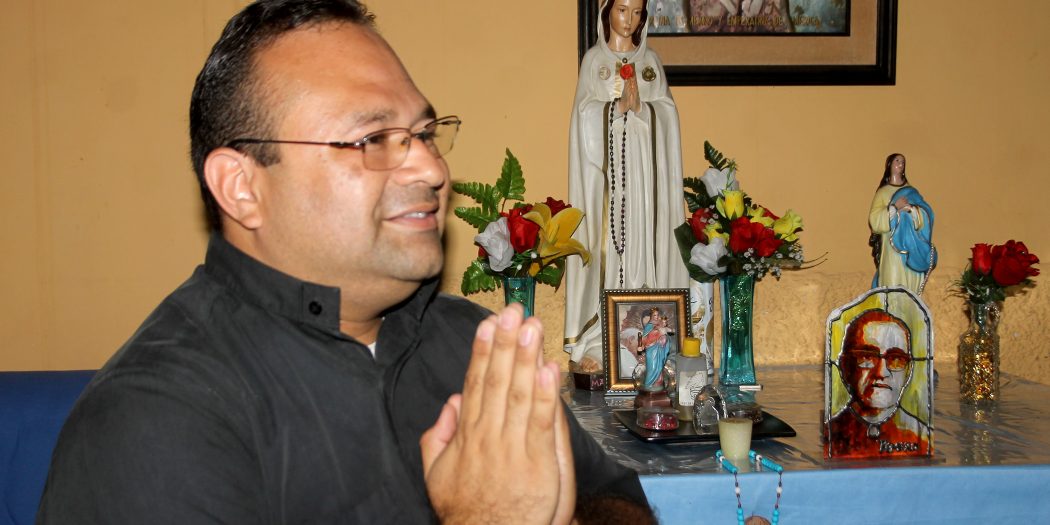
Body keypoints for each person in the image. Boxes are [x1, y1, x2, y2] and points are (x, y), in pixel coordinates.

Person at [36, 1, 653, 523]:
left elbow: (617, 497)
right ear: (242, 187)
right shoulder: (153, 419)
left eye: (425, 133)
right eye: (372, 139)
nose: (432, 168)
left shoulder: (470, 343)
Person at [565, 0, 688, 372]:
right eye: (622, 10)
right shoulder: (594, 62)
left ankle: (652, 336)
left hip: (645, 182)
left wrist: (643, 109)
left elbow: (668, 115)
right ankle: (600, 338)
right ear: (607, 12)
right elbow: (583, 116)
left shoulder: (650, 63)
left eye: (636, 12)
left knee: (644, 244)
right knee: (609, 250)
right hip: (608, 186)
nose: (629, 20)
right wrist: (615, 108)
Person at [827, 310, 931, 459]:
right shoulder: (831, 435)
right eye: (867, 356)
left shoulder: (922, 436)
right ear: (845, 366)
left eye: (896, 359)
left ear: (908, 371)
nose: (882, 372)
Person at [868, 153, 937, 295]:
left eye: (903, 162)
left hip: (912, 246)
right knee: (893, 283)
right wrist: (894, 207)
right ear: (889, 165)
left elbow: (927, 213)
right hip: (892, 249)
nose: (900, 164)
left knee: (910, 287)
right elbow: (875, 220)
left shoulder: (911, 192)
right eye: (897, 161)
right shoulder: (883, 193)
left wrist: (912, 210)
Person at [637, 308, 672, 390]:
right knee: (652, 368)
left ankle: (658, 385)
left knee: (659, 368)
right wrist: (641, 345)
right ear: (651, 316)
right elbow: (644, 338)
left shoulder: (660, 325)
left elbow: (667, 333)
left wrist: (664, 338)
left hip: (660, 349)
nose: (656, 317)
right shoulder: (649, 326)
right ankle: (648, 385)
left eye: (657, 315)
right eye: (654, 315)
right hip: (651, 350)